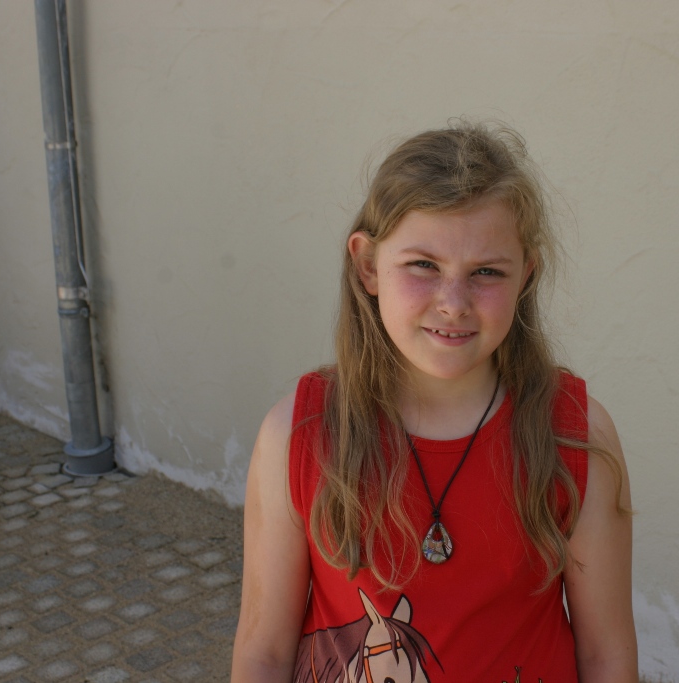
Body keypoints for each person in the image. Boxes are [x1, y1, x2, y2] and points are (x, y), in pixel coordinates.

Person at [231, 121, 637, 682]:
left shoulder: (575, 436)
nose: (453, 303)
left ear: (526, 275)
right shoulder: (296, 436)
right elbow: (264, 654)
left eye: (487, 272)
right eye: (423, 265)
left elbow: (606, 653)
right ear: (368, 266)